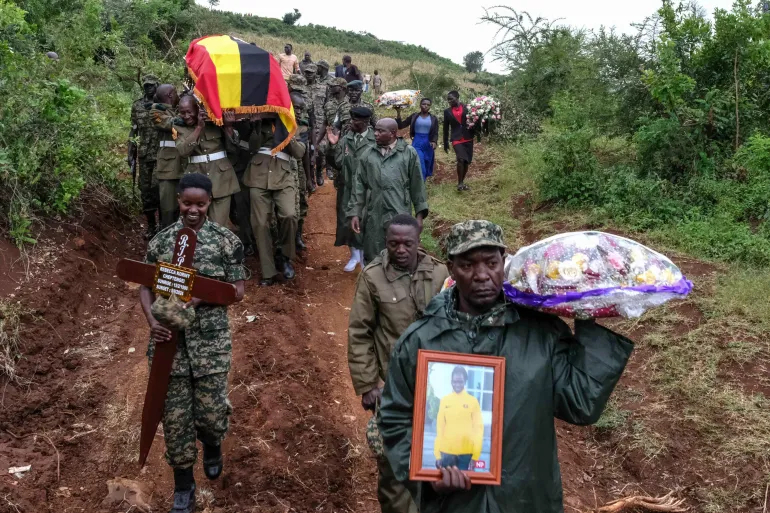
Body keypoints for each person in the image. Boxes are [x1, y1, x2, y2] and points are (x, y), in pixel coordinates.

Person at [378, 220, 634, 513]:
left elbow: (581, 404)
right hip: (454, 503)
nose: (482, 275)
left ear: (505, 262)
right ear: (451, 268)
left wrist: (585, 315)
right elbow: (394, 418)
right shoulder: (420, 341)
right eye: (468, 265)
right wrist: (428, 476)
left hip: (526, 498)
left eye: (491, 262)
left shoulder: (541, 333)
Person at [140, 173, 245, 513]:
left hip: (210, 346)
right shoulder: (161, 241)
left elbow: (237, 291)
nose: (193, 210)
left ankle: (213, 445)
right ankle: (183, 485)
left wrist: (196, 297)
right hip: (169, 345)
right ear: (179, 200)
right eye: (187, 203)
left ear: (209, 203)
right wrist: (154, 321)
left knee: (212, 416)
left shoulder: (227, 241)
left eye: (200, 204)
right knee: (175, 420)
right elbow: (145, 285)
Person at [348, 214, 448, 513]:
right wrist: (368, 384)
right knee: (394, 473)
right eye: (394, 244)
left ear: (419, 241)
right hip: (393, 390)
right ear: (385, 242)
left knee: (440, 465)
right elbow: (359, 331)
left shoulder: (441, 274)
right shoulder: (373, 276)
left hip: (439, 389)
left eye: (408, 243)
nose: (401, 250)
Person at [347, 118, 428, 265]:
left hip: (399, 213)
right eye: (375, 130)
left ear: (392, 133)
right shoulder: (368, 154)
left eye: (380, 131)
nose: (375, 134)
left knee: (399, 254)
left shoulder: (408, 154)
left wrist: (419, 216)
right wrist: (355, 212)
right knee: (373, 254)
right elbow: (358, 186)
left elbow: (418, 185)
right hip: (374, 214)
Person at [242, 115, 307, 286]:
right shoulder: (255, 120)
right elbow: (251, 147)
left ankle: (284, 256)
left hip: (284, 174)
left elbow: (299, 152)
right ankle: (267, 270)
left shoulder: (292, 123)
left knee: (289, 215)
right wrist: (254, 126)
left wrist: (286, 132)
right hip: (258, 174)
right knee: (260, 223)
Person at [174, 96, 240, 227]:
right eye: (182, 112)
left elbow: (233, 149)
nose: (186, 116)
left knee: (218, 226)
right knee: (194, 225)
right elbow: (182, 151)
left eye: (189, 111)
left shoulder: (215, 121)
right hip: (195, 181)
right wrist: (199, 128)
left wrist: (228, 127)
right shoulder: (178, 126)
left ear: (198, 110)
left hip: (221, 179)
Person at [326, 106, 376, 271]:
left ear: (365, 122)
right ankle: (354, 256)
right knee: (346, 219)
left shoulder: (374, 139)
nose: (351, 123)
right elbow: (338, 163)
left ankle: (365, 258)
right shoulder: (346, 138)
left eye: (355, 120)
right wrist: (333, 146)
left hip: (367, 189)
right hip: (347, 187)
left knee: (366, 220)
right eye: (351, 119)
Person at [129, 74, 161, 239]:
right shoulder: (137, 105)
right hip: (143, 154)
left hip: (161, 154)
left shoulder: (163, 104)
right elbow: (133, 129)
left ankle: (163, 226)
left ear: (157, 85)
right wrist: (130, 152)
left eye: (151, 85)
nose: (148, 88)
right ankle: (151, 226)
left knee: (159, 189)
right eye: (146, 86)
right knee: (146, 191)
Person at [433, 366, 483, 470]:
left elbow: (478, 429)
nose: (457, 384)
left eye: (460, 381)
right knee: (446, 484)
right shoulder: (445, 401)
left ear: (465, 381)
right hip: (446, 454)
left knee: (463, 485)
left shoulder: (473, 401)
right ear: (451, 381)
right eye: (454, 381)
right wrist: (437, 455)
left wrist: (475, 457)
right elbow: (440, 428)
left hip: (465, 455)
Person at [149, 84, 183, 229]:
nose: (178, 95)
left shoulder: (179, 108)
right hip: (168, 167)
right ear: (170, 95)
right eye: (176, 92)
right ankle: (166, 238)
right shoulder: (156, 111)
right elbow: (173, 123)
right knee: (168, 208)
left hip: (185, 165)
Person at [227, 117, 258, 256]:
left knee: (244, 206)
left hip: (249, 165)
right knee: (237, 207)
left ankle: (248, 241)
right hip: (230, 165)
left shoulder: (254, 114)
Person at [287, 81, 312, 253]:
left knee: (301, 201)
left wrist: (309, 178)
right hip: (281, 166)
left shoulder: (302, 125)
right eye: (296, 108)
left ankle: (298, 235)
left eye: (302, 108)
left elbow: (305, 153)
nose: (299, 112)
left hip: (299, 168)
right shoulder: (278, 121)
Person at [318, 77, 351, 183]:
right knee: (338, 180)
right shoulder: (328, 105)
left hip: (348, 146)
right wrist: (317, 142)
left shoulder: (351, 104)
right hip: (333, 147)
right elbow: (324, 124)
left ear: (342, 88)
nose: (331, 87)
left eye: (333, 86)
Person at [396, 98, 438, 181]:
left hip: (428, 143)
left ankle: (422, 181)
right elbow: (401, 126)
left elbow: (436, 132)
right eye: (424, 104)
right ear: (420, 105)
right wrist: (398, 113)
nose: (425, 106)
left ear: (430, 106)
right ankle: (420, 185)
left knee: (427, 163)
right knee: (420, 163)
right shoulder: (414, 116)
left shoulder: (433, 118)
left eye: (428, 105)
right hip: (417, 143)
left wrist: (434, 141)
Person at [443, 91, 477, 192]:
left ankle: (462, 182)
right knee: (461, 159)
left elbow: (475, 120)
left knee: (466, 161)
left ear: (457, 97)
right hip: (456, 138)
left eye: (451, 99)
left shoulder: (468, 107)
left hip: (468, 137)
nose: (449, 101)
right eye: (448, 99)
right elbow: (445, 128)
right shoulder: (447, 111)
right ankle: (460, 183)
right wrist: (445, 143)